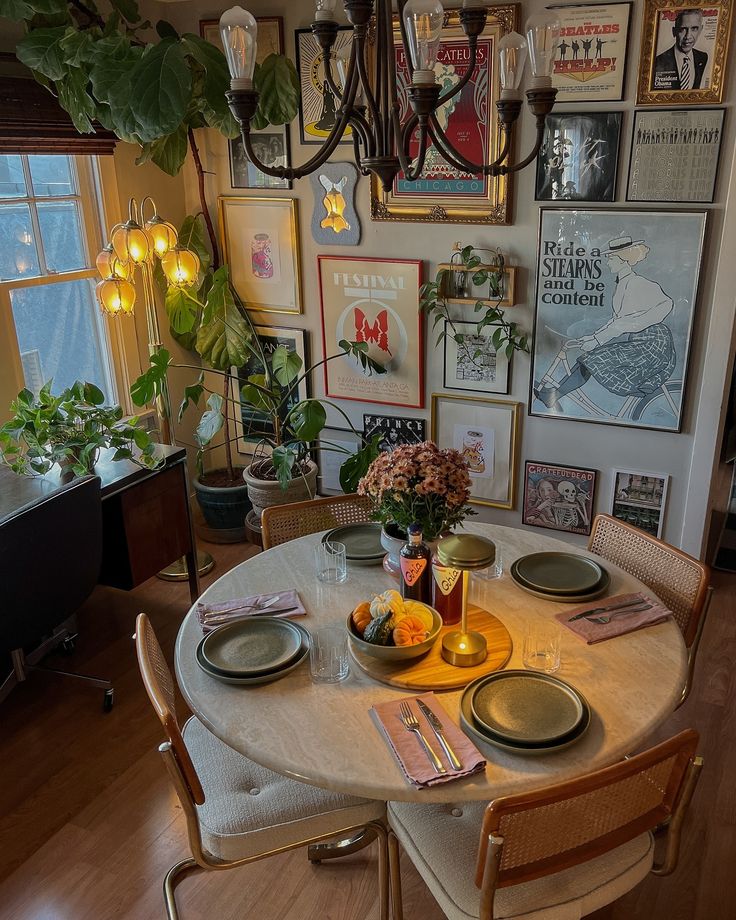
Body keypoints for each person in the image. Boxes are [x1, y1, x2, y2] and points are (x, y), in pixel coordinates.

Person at [533, 235, 676, 411]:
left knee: (593, 359)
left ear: (624, 260)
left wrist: (598, 339)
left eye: (611, 258)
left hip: (652, 344)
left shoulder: (637, 284)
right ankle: (553, 394)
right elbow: (618, 322)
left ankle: (554, 395)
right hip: (639, 339)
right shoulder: (624, 283)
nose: (607, 262)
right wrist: (591, 338)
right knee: (592, 357)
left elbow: (661, 306)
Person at [653, 8, 708, 90]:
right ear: (674, 32)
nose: (688, 36)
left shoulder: (703, 57)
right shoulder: (658, 61)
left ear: (700, 30)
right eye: (683, 29)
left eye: (694, 29)